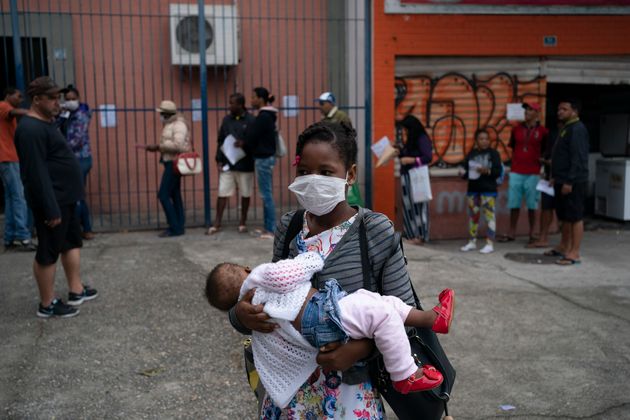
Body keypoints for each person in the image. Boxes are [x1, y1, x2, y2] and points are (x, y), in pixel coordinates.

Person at [229, 120, 433, 418]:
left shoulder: (374, 230)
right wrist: (241, 315)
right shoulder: (289, 227)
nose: (313, 181)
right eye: (304, 172)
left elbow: (407, 316)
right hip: (288, 398)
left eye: (325, 172)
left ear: (349, 174)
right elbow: (270, 299)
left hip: (350, 397)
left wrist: (359, 350)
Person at [206, 251, 454, 407]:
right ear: (247, 269)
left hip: (333, 332)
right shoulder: (261, 273)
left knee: (380, 303)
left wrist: (360, 349)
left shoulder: (376, 230)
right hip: (323, 319)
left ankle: (432, 319)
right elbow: (286, 273)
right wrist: (310, 259)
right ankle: (404, 373)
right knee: (382, 311)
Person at [14, 76, 98, 318]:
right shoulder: (29, 130)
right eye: (51, 98)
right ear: (36, 99)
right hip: (54, 201)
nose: (57, 102)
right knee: (48, 251)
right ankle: (47, 304)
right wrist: (49, 208)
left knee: (71, 242)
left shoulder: (48, 123)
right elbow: (35, 173)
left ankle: (76, 290)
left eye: (58, 97)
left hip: (67, 197)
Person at [547, 99, 590, 266]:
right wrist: (554, 176)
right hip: (561, 179)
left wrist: (569, 181)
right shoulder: (566, 128)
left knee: (575, 217)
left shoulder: (577, 129)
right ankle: (564, 246)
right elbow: (561, 155)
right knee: (564, 216)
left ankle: (574, 253)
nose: (560, 112)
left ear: (575, 111)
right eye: (559, 109)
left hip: (573, 182)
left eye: (564, 109)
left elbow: (578, 158)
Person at [500, 102, 548, 244]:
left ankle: (532, 232)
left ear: (537, 113)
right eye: (525, 109)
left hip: (533, 171)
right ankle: (512, 231)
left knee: (532, 204)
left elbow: (545, 149)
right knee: (514, 203)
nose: (526, 112)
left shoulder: (544, 131)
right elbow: (514, 147)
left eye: (530, 109)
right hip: (516, 170)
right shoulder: (516, 130)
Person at [207, 93, 255, 235]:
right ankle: (217, 223)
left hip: (245, 164)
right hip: (229, 163)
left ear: (240, 105)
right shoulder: (226, 120)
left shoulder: (251, 120)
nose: (229, 106)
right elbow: (221, 140)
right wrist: (219, 159)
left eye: (232, 103)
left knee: (245, 193)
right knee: (222, 192)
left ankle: (242, 222)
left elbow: (256, 141)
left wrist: (244, 143)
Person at [144, 100, 191, 237]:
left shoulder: (179, 125)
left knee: (163, 195)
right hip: (170, 161)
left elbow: (178, 145)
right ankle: (179, 226)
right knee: (174, 194)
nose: (160, 116)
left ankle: (175, 227)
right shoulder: (170, 124)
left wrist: (159, 147)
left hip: (174, 163)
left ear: (167, 114)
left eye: (162, 113)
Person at [57, 85, 95, 240]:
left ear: (78, 99)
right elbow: (56, 126)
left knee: (75, 195)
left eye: (73, 99)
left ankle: (76, 231)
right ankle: (86, 229)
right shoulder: (67, 113)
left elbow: (76, 141)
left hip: (80, 158)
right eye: (67, 100)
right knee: (78, 195)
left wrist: (57, 147)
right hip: (72, 159)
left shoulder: (81, 114)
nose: (71, 102)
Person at [0, 87, 35, 251]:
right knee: (19, 197)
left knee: (11, 198)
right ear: (8, 95)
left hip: (7, 158)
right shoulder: (3, 106)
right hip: (7, 157)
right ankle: (23, 236)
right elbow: (13, 113)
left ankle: (9, 237)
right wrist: (30, 112)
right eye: (18, 96)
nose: (20, 99)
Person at [460, 128, 502, 254]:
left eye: (486, 139)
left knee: (490, 217)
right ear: (476, 140)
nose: (484, 141)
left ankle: (490, 243)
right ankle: (472, 242)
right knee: (473, 217)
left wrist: (486, 171)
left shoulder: (494, 154)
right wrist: (462, 173)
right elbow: (465, 170)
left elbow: (497, 172)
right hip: (473, 190)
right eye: (481, 139)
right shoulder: (471, 154)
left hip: (488, 191)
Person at [243, 87, 278, 239]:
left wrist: (245, 141)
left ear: (261, 99)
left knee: (266, 194)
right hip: (265, 157)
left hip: (263, 159)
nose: (251, 100)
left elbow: (252, 136)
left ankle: (271, 229)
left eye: (253, 97)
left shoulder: (264, 116)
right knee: (265, 194)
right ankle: (267, 227)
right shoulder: (268, 115)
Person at [396, 115, 433, 245]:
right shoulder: (411, 139)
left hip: (417, 177)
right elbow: (408, 154)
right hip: (407, 176)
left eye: (406, 130)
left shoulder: (422, 138)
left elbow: (428, 157)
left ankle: (420, 235)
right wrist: (399, 152)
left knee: (418, 206)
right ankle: (411, 234)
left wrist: (411, 160)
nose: (404, 132)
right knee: (408, 207)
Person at [529, 122, 560, 249]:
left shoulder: (573, 135)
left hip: (562, 178)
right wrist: (545, 161)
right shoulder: (551, 137)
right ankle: (543, 238)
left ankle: (566, 242)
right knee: (546, 208)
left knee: (564, 212)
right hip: (548, 178)